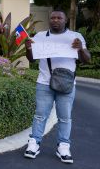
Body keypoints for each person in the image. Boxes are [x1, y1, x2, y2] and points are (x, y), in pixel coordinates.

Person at [24, 9, 90, 164]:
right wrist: (28, 48)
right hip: (44, 82)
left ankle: (63, 147)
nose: (55, 20)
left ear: (65, 20)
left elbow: (87, 59)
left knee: (65, 117)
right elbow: (32, 59)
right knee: (40, 115)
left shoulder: (76, 37)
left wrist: (80, 48)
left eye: (59, 17)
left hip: (66, 84)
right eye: (52, 17)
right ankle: (34, 144)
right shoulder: (40, 37)